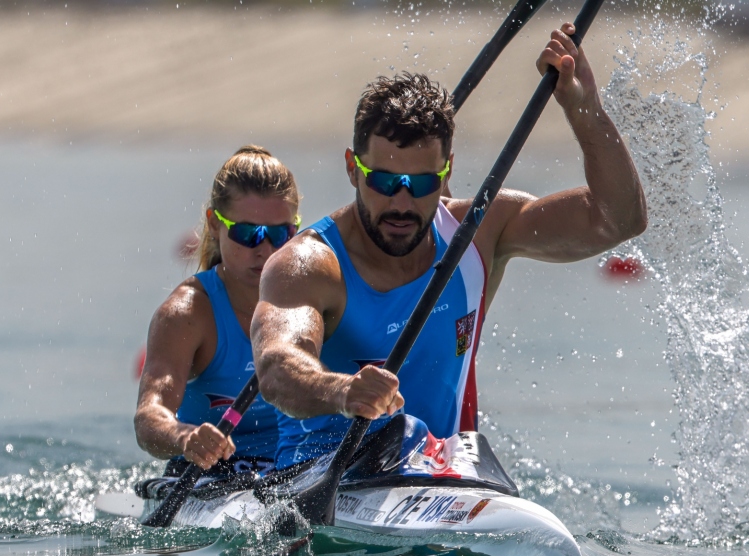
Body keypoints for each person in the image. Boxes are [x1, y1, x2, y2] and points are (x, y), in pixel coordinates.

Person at [251, 23, 648, 471]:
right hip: (317, 481)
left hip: (442, 482)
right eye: (384, 181)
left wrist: (583, 106)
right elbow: (278, 365)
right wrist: (342, 392)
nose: (401, 202)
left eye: (421, 183)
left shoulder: (477, 233)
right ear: (352, 168)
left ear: (446, 173)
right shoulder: (309, 266)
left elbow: (619, 219)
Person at [134, 145, 301, 476]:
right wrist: (185, 437)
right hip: (210, 475)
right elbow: (149, 417)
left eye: (280, 234)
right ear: (214, 224)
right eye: (247, 234)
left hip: (296, 470)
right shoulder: (187, 314)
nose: (265, 249)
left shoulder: (316, 296)